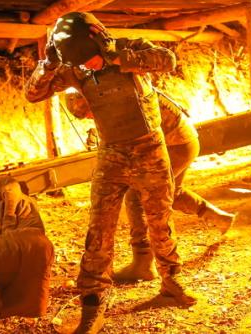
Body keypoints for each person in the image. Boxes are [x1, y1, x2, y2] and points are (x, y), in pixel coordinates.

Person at [25, 11, 195, 334]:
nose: (88, 66)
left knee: (160, 219)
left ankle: (172, 281)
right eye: (81, 62)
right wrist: (47, 65)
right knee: (99, 228)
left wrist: (123, 59)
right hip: (112, 154)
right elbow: (33, 94)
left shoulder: (129, 48)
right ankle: (93, 301)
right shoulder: (76, 69)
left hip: (150, 147)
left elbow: (168, 60)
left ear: (100, 39)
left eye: (90, 58)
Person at [66, 89, 236, 282]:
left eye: (89, 114)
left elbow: (134, 143)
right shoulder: (116, 89)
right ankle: (220, 218)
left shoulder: (119, 100)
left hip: (175, 144)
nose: (90, 118)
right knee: (173, 192)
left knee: (137, 193)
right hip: (183, 140)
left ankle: (143, 262)